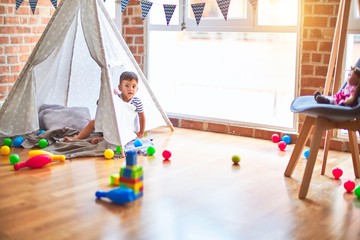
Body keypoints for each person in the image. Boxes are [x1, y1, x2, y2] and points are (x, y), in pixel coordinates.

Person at [64, 71, 146, 144]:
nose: (130, 89)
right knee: (93, 121)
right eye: (127, 86)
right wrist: (109, 95)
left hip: (127, 128)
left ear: (137, 89)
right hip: (114, 124)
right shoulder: (116, 98)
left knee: (124, 137)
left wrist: (141, 132)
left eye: (133, 86)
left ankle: (102, 139)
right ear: (120, 87)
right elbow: (101, 103)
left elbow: (141, 117)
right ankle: (77, 138)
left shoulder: (136, 102)